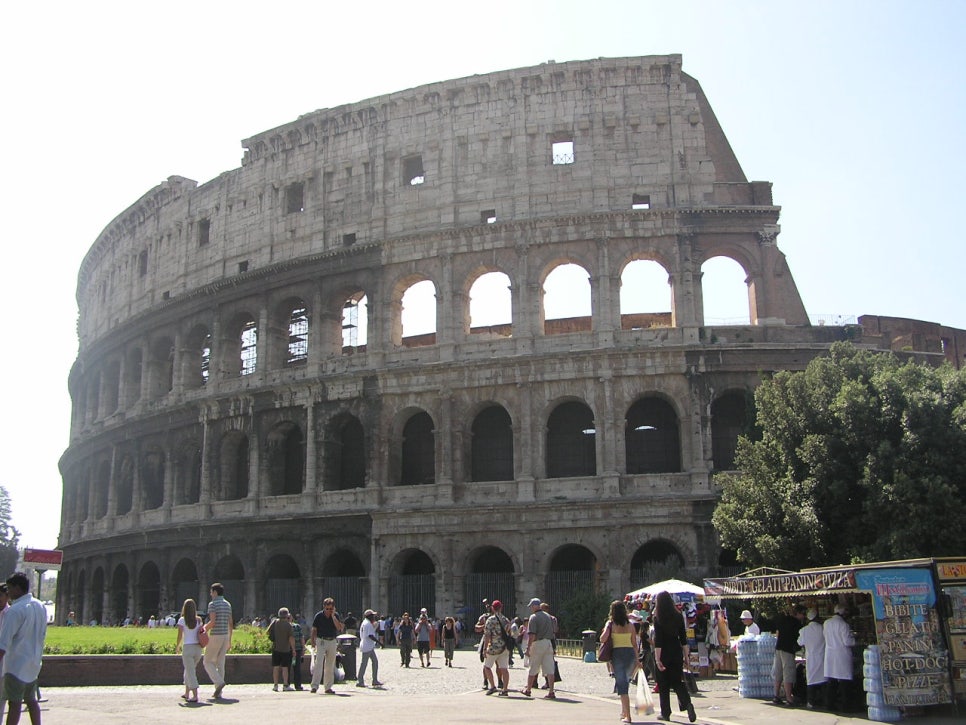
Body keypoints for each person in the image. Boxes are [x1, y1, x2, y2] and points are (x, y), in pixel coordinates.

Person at [0, 573, 47, 725]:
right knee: (31, 701)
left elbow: (3, 643)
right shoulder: (40, 606)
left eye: (10, 588)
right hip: (33, 663)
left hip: (16, 665)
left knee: (14, 703)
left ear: (18, 588)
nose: (9, 593)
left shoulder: (14, 611)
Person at [652, 591, 696, 723]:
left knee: (663, 684)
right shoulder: (678, 616)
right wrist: (686, 658)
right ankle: (687, 704)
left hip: (664, 651)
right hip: (676, 650)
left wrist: (658, 659)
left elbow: (658, 640)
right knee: (677, 681)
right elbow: (683, 639)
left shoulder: (658, 617)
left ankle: (666, 712)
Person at [599, 600, 640, 723]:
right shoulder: (630, 625)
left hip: (618, 654)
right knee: (625, 682)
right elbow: (634, 644)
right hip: (630, 654)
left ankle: (628, 715)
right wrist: (638, 660)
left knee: (622, 686)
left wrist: (607, 630)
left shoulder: (611, 624)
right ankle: (623, 711)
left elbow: (602, 639)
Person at [203, 582, 233, 700]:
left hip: (216, 635)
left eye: (211, 592)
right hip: (225, 635)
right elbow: (230, 622)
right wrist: (230, 639)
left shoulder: (212, 604)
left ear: (215, 592)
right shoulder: (227, 604)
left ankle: (219, 682)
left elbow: (213, 622)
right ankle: (219, 692)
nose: (210, 594)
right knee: (221, 663)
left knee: (207, 662)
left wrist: (203, 629)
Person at [772, 603, 806, 706]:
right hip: (788, 649)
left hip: (778, 647)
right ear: (799, 613)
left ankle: (776, 695)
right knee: (788, 672)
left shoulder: (783, 619)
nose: (804, 617)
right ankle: (789, 697)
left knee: (778, 672)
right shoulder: (796, 623)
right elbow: (798, 640)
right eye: (803, 614)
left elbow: (778, 632)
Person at [823, 604, 855, 711]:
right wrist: (854, 640)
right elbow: (847, 641)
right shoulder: (843, 625)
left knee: (831, 681)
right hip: (842, 655)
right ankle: (846, 706)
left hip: (830, 654)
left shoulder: (826, 623)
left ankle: (829, 704)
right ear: (843, 613)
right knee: (844, 682)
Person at [522, 598, 555, 699]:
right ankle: (551, 691)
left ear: (535, 606)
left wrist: (528, 648)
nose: (531, 608)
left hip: (538, 643)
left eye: (531, 606)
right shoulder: (548, 616)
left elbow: (532, 635)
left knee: (533, 667)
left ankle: (528, 690)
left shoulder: (533, 617)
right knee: (550, 669)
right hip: (548, 643)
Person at [310, 597, 344, 694]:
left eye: (331, 608)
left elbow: (339, 628)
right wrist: (313, 641)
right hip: (321, 640)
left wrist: (333, 616)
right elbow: (314, 629)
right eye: (327, 608)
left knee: (330, 664)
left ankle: (328, 687)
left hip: (332, 640)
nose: (329, 610)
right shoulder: (319, 616)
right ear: (324, 607)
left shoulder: (335, 615)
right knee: (318, 663)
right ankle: (314, 686)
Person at [175, 598, 205, 702]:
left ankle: (195, 695)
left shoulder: (182, 620)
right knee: (189, 670)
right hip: (197, 648)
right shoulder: (199, 620)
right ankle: (187, 693)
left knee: (190, 672)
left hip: (187, 648)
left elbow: (180, 635)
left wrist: (177, 646)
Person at [797, 608, 826, 710]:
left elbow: (799, 642)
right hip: (822, 657)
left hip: (811, 658)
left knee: (811, 680)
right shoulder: (822, 628)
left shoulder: (804, 630)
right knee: (823, 679)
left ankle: (811, 702)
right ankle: (825, 702)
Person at [481, 600, 511, 696]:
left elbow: (487, 635)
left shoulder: (490, 620)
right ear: (501, 608)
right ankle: (505, 689)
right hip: (504, 647)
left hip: (494, 647)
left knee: (487, 667)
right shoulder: (506, 619)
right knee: (504, 669)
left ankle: (493, 686)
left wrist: (485, 648)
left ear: (493, 608)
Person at [268, 608, 295, 691]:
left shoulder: (275, 622)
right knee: (285, 668)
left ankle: (275, 685)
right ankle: (285, 685)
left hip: (276, 648)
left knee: (275, 667)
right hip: (285, 649)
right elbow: (291, 638)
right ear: (287, 615)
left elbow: (268, 631)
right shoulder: (288, 625)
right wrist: (293, 649)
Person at [356, 609, 383, 687]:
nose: (374, 617)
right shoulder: (367, 624)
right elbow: (370, 635)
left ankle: (374, 680)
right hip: (367, 646)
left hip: (368, 645)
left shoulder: (365, 623)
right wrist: (379, 642)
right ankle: (360, 681)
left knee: (375, 662)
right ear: (369, 616)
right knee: (364, 664)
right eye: (373, 615)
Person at [290, 613, 306, 690]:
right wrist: (303, 648)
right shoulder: (297, 626)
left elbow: (301, 637)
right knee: (296, 668)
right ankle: (298, 685)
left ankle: (287, 684)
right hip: (297, 650)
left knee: (288, 668)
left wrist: (303, 648)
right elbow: (301, 638)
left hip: (289, 650)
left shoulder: (292, 626)